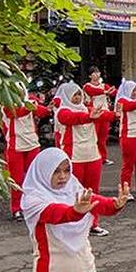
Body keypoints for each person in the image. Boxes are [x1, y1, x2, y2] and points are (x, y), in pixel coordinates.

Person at [54, 83, 117, 237]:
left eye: (79, 94)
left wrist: (116, 114)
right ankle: (73, 223)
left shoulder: (87, 109)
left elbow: (103, 115)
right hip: (74, 158)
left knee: (92, 192)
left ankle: (92, 224)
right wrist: (90, 116)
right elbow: (71, 119)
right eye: (74, 95)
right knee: (72, 192)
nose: (77, 98)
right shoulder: (62, 112)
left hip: (93, 156)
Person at [1, 90, 51, 220]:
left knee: (34, 177)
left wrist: (48, 108)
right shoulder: (6, 104)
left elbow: (42, 112)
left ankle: (34, 205)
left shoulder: (30, 102)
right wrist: (32, 106)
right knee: (17, 179)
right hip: (15, 147)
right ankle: (16, 208)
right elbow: (14, 113)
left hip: (32, 144)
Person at [82, 67, 116, 166]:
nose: (96, 74)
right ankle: (93, 156)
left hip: (104, 113)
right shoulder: (87, 86)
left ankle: (103, 158)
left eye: (97, 72)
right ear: (90, 76)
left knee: (102, 138)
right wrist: (105, 92)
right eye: (94, 73)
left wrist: (113, 91)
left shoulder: (103, 85)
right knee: (94, 137)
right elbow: (92, 91)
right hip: (94, 113)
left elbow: (113, 92)